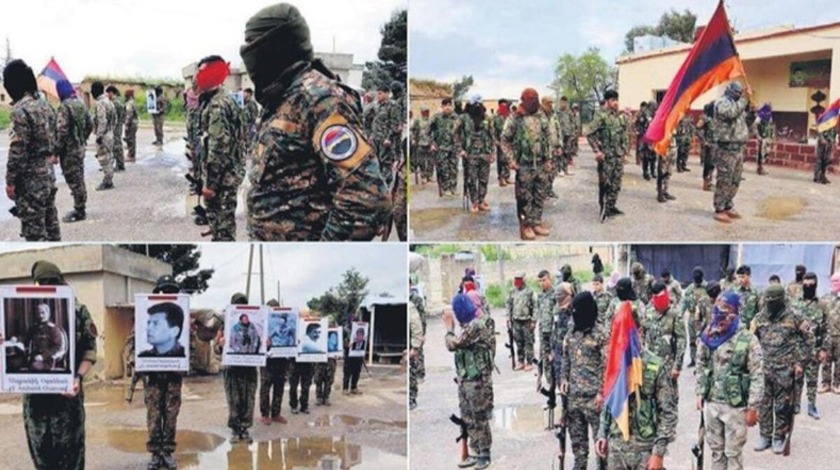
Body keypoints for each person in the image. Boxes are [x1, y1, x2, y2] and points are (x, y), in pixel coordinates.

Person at [240, 4, 390, 241]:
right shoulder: (281, 97)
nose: (248, 53)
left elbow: (365, 200)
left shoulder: (320, 100)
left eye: (252, 44)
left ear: (274, 47)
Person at [0, 261, 98, 470]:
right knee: (41, 454)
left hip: (67, 399)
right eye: (42, 282)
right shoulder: (31, 329)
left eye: (51, 282)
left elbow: (89, 351)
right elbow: (18, 345)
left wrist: (78, 378)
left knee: (72, 457)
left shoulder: (77, 310)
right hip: (36, 401)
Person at [594, 300, 677, 470]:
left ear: (639, 332)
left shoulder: (655, 366)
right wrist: (602, 434)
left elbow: (668, 413)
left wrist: (658, 453)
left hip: (645, 450)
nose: (621, 339)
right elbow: (609, 403)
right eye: (618, 332)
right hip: (617, 449)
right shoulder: (614, 364)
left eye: (626, 332)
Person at [695, 290, 763, 470]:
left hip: (736, 406)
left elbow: (757, 374)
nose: (720, 319)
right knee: (716, 452)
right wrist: (700, 392)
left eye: (725, 312)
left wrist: (753, 407)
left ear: (734, 313)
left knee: (733, 454)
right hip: (712, 404)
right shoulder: (709, 335)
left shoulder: (748, 339)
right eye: (717, 311)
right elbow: (700, 362)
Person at [752, 284, 815, 454]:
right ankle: (765, 435)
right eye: (768, 301)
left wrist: (801, 362)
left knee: (782, 405)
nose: (770, 304)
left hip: (785, 370)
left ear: (781, 300)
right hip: (764, 369)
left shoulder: (795, 316)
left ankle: (779, 436)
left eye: (773, 301)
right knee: (764, 404)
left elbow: (809, 339)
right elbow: (751, 340)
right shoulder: (760, 317)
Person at [3, 59, 61, 241]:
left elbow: (18, 150)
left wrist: (10, 181)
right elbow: (55, 135)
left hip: (30, 181)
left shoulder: (20, 111)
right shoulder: (45, 106)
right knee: (51, 226)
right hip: (48, 175)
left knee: (34, 234)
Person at [195, 55, 244, 242]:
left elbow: (219, 146)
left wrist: (211, 184)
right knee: (221, 225)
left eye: (201, 72)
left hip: (223, 178)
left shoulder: (217, 105)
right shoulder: (220, 99)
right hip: (228, 172)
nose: (197, 77)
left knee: (223, 230)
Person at [139, 276, 186, 470]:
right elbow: (130, 346)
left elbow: (192, 350)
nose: (166, 295)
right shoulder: (147, 317)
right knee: (154, 416)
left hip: (173, 379)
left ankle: (167, 452)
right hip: (153, 380)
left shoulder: (183, 321)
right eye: (162, 291)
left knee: (171, 415)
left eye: (170, 291)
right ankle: (155, 454)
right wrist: (137, 362)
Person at [445, 293, 495, 469]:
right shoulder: (471, 325)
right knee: (467, 416)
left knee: (479, 416)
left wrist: (449, 329)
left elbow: (453, 344)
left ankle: (484, 452)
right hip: (466, 379)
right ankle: (475, 450)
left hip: (477, 381)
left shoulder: (476, 326)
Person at [560, 291, 606, 470]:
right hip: (574, 399)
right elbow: (566, 357)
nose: (575, 315)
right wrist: (564, 378)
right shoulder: (572, 331)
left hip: (595, 400)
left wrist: (602, 392)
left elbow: (607, 366)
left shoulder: (601, 334)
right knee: (579, 447)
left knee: (601, 446)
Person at [501, 88, 554, 239]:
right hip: (524, 164)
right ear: (523, 100)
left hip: (541, 164)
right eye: (530, 100)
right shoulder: (516, 117)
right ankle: (526, 226)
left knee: (539, 195)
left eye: (535, 99)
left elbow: (548, 137)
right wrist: (511, 160)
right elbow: (504, 140)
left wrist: (549, 159)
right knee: (524, 197)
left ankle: (536, 222)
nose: (533, 102)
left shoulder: (541, 116)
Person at [215, 293, 258, 443]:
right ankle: (235, 429)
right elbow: (217, 345)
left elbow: (260, 343)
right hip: (232, 367)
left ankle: (245, 429)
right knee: (234, 400)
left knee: (248, 399)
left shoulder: (254, 326)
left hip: (249, 367)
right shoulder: (227, 324)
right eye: (237, 303)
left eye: (243, 303)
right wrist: (220, 343)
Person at [588, 89, 629, 222]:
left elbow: (622, 134)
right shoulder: (601, 115)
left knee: (616, 184)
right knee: (605, 184)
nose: (616, 103)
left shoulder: (617, 116)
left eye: (617, 100)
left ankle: (611, 207)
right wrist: (597, 151)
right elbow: (590, 134)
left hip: (617, 156)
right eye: (613, 100)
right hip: (606, 157)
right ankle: (603, 209)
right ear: (607, 101)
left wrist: (624, 152)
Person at [55, 78, 92, 223]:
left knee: (74, 181)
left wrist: (56, 150)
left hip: (69, 151)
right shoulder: (80, 103)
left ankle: (79, 210)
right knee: (79, 179)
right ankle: (81, 206)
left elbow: (62, 131)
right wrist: (82, 139)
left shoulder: (65, 106)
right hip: (80, 148)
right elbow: (90, 124)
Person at [792, 273, 828, 419]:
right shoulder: (795, 303)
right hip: (798, 350)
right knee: (797, 379)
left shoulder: (822, 305)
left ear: (815, 285)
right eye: (805, 284)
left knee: (812, 380)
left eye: (811, 285)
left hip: (815, 349)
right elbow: (791, 328)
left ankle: (812, 406)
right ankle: (795, 404)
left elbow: (826, 328)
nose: (808, 287)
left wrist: (824, 348)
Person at [712, 81, 750, 223]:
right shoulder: (722, 103)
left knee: (735, 180)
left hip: (738, 148)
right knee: (724, 179)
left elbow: (746, 123)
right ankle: (719, 208)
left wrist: (751, 110)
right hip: (726, 148)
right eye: (737, 93)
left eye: (740, 93)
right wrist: (745, 99)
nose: (739, 95)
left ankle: (728, 204)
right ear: (729, 90)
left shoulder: (738, 104)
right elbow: (731, 114)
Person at [641, 282, 687, 395]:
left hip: (668, 365)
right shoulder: (648, 311)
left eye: (662, 296)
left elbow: (682, 339)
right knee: (650, 401)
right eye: (656, 297)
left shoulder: (674, 314)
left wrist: (677, 366)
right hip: (650, 364)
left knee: (668, 404)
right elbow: (642, 333)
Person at [459, 96, 495, 212]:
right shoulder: (463, 118)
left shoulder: (487, 119)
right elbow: (454, 133)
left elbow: (492, 136)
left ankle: (481, 200)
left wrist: (493, 152)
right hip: (470, 154)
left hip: (485, 154)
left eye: (480, 104)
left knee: (484, 179)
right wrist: (460, 149)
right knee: (471, 180)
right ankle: (474, 202)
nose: (478, 107)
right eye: (475, 104)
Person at [260, 299, 291, 426]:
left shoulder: (287, 328)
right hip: (268, 361)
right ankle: (265, 414)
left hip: (282, 360)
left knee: (279, 387)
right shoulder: (263, 325)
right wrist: (265, 343)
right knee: (265, 387)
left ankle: (276, 413)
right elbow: (258, 343)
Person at [10, 303, 66, 371]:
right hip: (31, 357)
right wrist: (16, 339)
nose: (40, 315)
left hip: (46, 360)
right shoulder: (34, 328)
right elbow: (25, 337)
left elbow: (57, 346)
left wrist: (43, 356)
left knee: (33, 367)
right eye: (38, 313)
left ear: (48, 313)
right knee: (12, 364)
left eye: (43, 313)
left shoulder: (53, 329)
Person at [371, 83, 401, 188]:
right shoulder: (377, 105)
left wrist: (389, 138)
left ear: (387, 94)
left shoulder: (393, 106)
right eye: (377, 94)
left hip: (385, 139)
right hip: (375, 138)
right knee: (376, 160)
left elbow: (395, 124)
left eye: (380, 93)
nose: (378, 96)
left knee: (385, 162)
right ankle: (377, 183)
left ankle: (386, 185)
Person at [429, 98, 460, 196]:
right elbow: (428, 131)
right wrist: (432, 143)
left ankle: (453, 188)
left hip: (454, 147)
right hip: (441, 148)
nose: (448, 107)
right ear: (442, 107)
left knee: (454, 168)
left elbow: (461, 133)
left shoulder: (456, 118)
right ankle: (445, 188)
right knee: (444, 168)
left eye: (449, 105)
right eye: (445, 105)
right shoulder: (437, 118)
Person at [90, 80, 116, 191]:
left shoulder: (100, 103)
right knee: (109, 158)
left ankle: (107, 182)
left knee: (104, 159)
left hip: (104, 135)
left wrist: (99, 136)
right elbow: (115, 119)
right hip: (110, 133)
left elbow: (102, 120)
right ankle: (109, 180)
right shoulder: (109, 102)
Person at [507, 272, 535, 370]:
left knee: (528, 341)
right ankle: (521, 361)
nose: (517, 281)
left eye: (519, 279)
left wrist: (534, 320)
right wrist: (508, 318)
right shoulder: (512, 292)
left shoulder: (529, 291)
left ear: (524, 279)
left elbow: (535, 306)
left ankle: (529, 362)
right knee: (518, 341)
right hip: (516, 320)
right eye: (516, 279)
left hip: (527, 320)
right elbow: (509, 305)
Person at [682, 266, 709, 367]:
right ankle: (693, 359)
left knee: (704, 339)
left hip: (705, 317)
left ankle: (703, 359)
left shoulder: (707, 287)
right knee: (692, 339)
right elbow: (684, 302)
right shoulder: (690, 288)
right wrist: (680, 314)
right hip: (692, 317)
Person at [820, 273, 840, 393]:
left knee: (839, 361)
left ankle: (837, 384)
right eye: (834, 282)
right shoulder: (825, 299)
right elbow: (820, 318)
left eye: (838, 282)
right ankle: (825, 383)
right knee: (825, 360)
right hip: (827, 335)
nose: (836, 284)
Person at [535, 270, 556, 379]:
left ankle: (556, 377)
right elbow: (538, 311)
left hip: (553, 329)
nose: (542, 283)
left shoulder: (555, 294)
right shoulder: (539, 295)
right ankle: (549, 379)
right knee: (544, 354)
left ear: (549, 279)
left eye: (544, 280)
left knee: (555, 354)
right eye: (540, 281)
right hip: (543, 329)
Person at [314, 317, 338, 407]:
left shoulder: (335, 335)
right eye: (328, 325)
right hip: (320, 360)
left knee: (329, 380)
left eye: (331, 325)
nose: (330, 326)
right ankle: (319, 398)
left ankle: (326, 397)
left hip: (331, 360)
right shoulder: (319, 334)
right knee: (318, 379)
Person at [342, 310, 365, 395]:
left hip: (358, 352)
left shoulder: (361, 328)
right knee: (347, 370)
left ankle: (354, 387)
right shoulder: (345, 329)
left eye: (355, 319)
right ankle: (345, 388)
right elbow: (341, 341)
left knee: (357, 370)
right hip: (349, 352)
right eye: (352, 319)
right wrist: (346, 344)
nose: (353, 320)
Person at [410, 106, 434, 183]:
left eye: (427, 111)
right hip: (420, 143)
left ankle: (429, 175)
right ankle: (423, 176)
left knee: (430, 160)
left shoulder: (431, 121)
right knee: (422, 161)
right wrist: (413, 139)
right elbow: (413, 129)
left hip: (430, 143)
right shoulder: (417, 120)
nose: (426, 113)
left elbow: (434, 132)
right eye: (424, 111)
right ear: (421, 112)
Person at [696, 102, 717, 191]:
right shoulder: (705, 118)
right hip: (709, 145)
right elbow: (697, 129)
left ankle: (709, 182)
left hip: (715, 144)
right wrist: (704, 141)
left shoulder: (716, 119)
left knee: (712, 164)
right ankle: (706, 184)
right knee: (708, 164)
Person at [409, 296, 425, 410]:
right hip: (409, 344)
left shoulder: (410, 306)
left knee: (411, 373)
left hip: (410, 345)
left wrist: (415, 346)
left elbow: (417, 326)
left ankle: (411, 398)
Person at [106, 85, 126, 171]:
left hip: (115, 127)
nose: (107, 95)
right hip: (118, 125)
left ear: (111, 93)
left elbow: (112, 117)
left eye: (108, 93)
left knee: (117, 145)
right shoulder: (119, 102)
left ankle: (120, 164)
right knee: (117, 144)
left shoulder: (115, 103)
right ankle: (118, 163)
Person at [814, 117, 837, 184]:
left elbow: (834, 134)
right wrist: (822, 139)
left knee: (827, 160)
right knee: (819, 160)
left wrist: (834, 142)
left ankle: (823, 176)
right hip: (822, 143)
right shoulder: (823, 122)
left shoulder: (833, 124)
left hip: (830, 143)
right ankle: (817, 177)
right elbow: (819, 130)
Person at [755, 103, 774, 175]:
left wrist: (771, 136)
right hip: (761, 138)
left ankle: (762, 167)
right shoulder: (760, 116)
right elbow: (755, 126)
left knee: (766, 152)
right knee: (760, 154)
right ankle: (760, 168)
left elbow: (770, 127)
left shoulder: (769, 116)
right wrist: (758, 136)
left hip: (767, 138)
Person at [242, 87, 260, 154]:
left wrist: (247, 116)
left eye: (245, 93)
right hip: (245, 125)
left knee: (250, 141)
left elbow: (254, 116)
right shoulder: (244, 102)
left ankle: (249, 154)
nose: (243, 94)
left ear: (249, 94)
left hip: (250, 125)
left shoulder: (252, 103)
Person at [123, 89, 139, 162]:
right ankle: (131, 154)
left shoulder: (129, 104)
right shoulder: (134, 102)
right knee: (132, 138)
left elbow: (129, 115)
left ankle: (131, 155)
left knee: (130, 139)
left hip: (131, 124)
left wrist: (126, 125)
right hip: (134, 123)